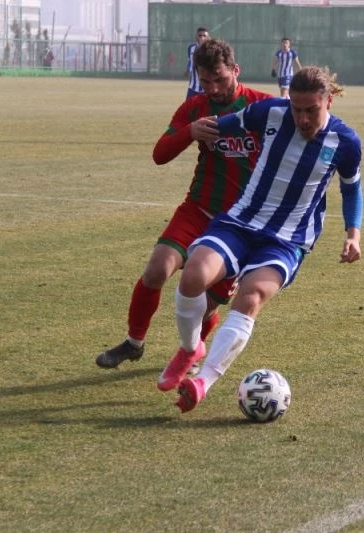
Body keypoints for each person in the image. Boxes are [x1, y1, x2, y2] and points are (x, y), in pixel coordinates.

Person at [165, 66, 364, 413]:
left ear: (328, 101)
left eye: (311, 110)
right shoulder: (270, 112)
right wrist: (193, 129)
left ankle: (202, 382)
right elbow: (223, 126)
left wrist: (353, 235)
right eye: (296, 109)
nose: (302, 118)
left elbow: (352, 189)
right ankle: (190, 347)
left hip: (287, 239)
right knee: (193, 275)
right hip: (241, 221)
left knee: (251, 295)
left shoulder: (345, 142)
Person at [95, 39, 272, 375]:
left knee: (205, 306)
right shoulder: (195, 108)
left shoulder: (262, 106)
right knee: (156, 270)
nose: (213, 88)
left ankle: (190, 352)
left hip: (239, 226)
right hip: (198, 209)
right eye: (205, 81)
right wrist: (190, 132)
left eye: (220, 79)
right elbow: (159, 155)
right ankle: (134, 343)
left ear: (236, 70)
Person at [185, 27, 210, 99]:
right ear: (196, 36)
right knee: (188, 106)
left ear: (208, 37)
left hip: (206, 88)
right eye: (200, 35)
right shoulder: (191, 48)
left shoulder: (211, 49)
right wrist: (188, 70)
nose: (202, 38)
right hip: (192, 87)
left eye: (204, 36)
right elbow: (190, 61)